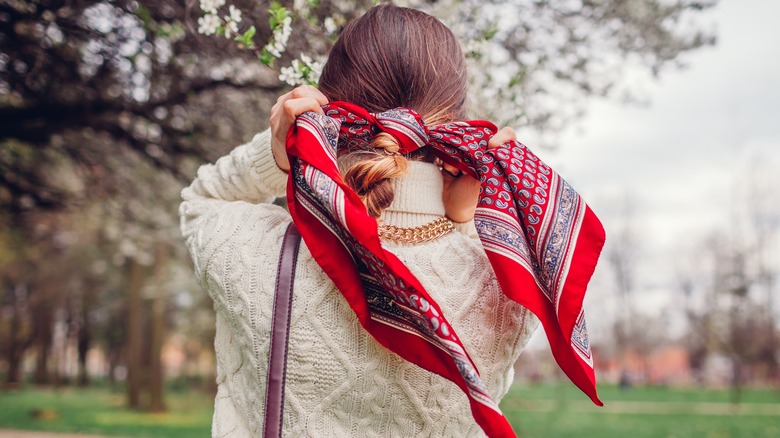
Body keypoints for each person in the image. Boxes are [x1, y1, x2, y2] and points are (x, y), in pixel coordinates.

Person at [180, 4, 603, 437]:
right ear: (455, 118)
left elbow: (202, 198)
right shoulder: (509, 276)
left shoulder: (251, 251)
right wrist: (460, 218)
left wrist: (275, 152)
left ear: (329, 107)